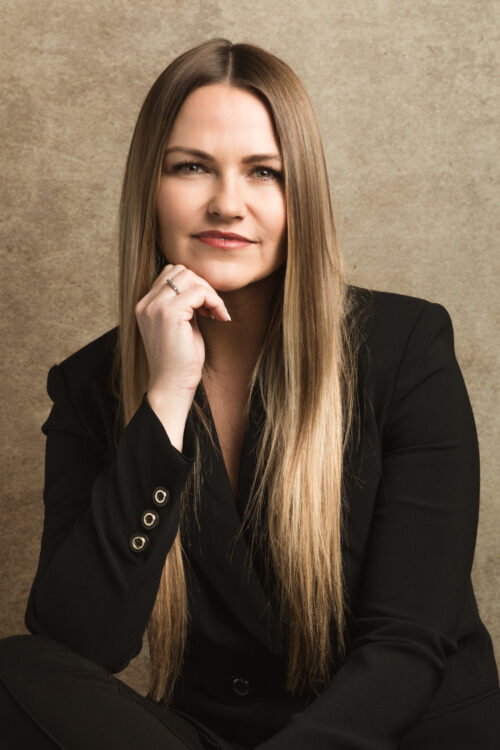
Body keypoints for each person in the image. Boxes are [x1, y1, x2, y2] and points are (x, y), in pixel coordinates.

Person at [0, 38, 499, 750]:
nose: (226, 203)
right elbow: (82, 643)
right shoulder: (90, 385)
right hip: (217, 736)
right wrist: (166, 398)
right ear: (151, 185)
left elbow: (405, 647)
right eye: (192, 167)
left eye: (263, 172)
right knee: (14, 672)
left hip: (396, 734)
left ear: (302, 197)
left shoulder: (406, 346)